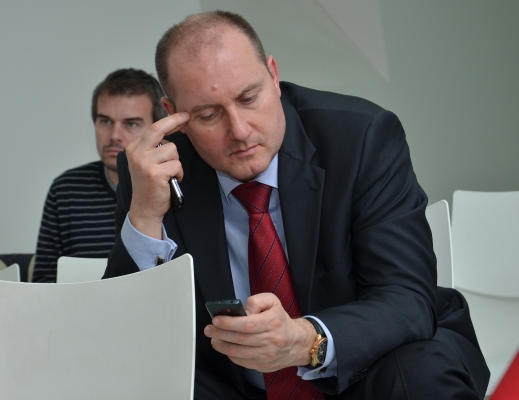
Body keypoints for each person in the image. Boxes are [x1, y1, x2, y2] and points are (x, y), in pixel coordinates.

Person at [104, 11, 489, 400]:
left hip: (364, 373)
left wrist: (305, 340)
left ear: (273, 75)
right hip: (233, 386)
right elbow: (120, 338)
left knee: (419, 372)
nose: (239, 130)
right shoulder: (153, 172)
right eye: (208, 114)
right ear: (174, 115)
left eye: (249, 98)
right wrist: (145, 217)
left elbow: (405, 298)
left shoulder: (360, 138)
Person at [32, 68, 167, 283]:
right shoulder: (65, 190)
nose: (114, 135)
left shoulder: (174, 188)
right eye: (105, 121)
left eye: (131, 123)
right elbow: (43, 282)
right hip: (77, 304)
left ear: (158, 129)